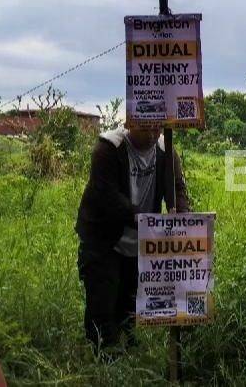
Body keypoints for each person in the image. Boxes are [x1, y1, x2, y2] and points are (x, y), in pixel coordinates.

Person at [75, 127, 189, 349]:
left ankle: (128, 350)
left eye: (158, 126)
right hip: (103, 237)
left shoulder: (166, 149)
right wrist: (147, 221)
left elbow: (177, 187)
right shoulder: (109, 148)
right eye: (148, 125)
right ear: (131, 121)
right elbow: (106, 196)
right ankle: (103, 359)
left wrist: (182, 217)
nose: (154, 132)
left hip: (139, 239)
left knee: (130, 301)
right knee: (102, 303)